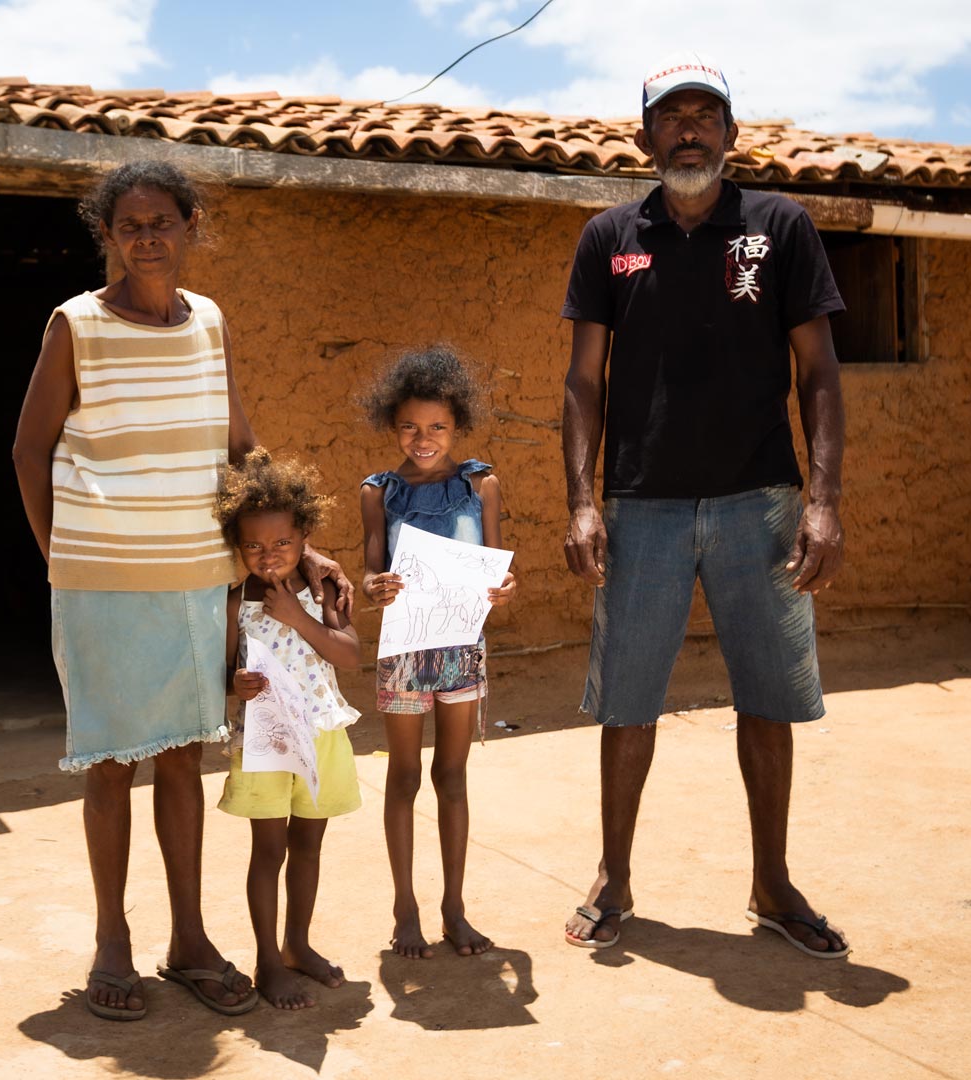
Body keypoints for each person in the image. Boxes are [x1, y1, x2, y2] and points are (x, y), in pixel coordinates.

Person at [12, 161, 349, 1021]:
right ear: (110, 236)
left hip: (200, 582)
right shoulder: (75, 326)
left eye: (162, 220)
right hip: (105, 586)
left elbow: (240, 444)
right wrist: (63, 559)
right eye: (129, 225)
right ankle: (112, 943)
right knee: (111, 759)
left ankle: (189, 939)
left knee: (180, 758)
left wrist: (301, 550)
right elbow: (28, 449)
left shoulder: (209, 323)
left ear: (192, 224)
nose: (147, 236)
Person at [557, 52, 852, 958]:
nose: (689, 129)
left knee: (768, 700)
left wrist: (822, 500)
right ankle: (614, 875)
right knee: (628, 702)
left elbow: (820, 375)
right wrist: (581, 500)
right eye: (671, 116)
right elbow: (582, 384)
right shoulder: (610, 236)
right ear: (645, 136)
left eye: (705, 115)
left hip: (758, 500)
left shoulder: (780, 226)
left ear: (731, 132)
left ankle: (772, 881)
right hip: (641, 503)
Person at [358, 346, 517, 960]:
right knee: (402, 778)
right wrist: (375, 586)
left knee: (451, 776)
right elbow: (373, 573)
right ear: (392, 426)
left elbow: (497, 569)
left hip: (460, 650)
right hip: (404, 651)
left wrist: (506, 587)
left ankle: (454, 907)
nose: (423, 439)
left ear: (458, 426)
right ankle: (406, 909)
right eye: (409, 427)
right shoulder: (380, 492)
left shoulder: (482, 484)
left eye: (438, 427)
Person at [213, 448, 362, 1011]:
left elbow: (349, 655)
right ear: (237, 546)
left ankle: (298, 943)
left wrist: (300, 617)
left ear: (303, 538)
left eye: (281, 543)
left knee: (308, 845)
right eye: (253, 546)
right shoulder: (234, 602)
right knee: (268, 851)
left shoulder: (320, 588)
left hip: (322, 731)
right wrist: (237, 683)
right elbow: (221, 675)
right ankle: (268, 960)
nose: (268, 555)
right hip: (265, 739)